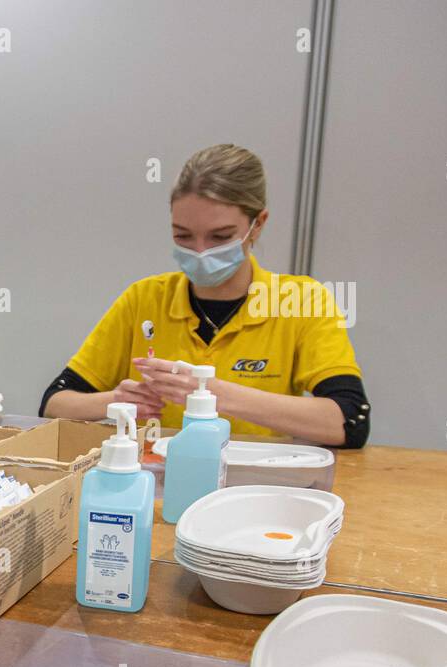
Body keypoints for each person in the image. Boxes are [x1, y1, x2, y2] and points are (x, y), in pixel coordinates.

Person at [40, 144, 370, 448]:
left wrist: (208, 393)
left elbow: (350, 421)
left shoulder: (301, 300)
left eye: (220, 237)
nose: (199, 252)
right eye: (183, 236)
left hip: (255, 488)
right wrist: (113, 401)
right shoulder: (144, 299)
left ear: (257, 225)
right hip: (157, 481)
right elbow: (54, 403)